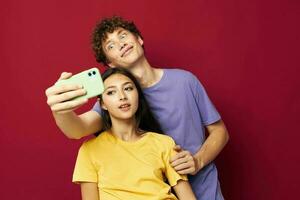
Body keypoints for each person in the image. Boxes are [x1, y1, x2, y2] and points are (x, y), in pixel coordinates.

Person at [45, 16, 229, 200]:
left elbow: (220, 132)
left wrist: (198, 161)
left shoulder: (186, 81)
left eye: (123, 35)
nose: (120, 44)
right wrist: (60, 109)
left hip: (206, 192)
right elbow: (77, 129)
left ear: (139, 39)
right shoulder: (118, 102)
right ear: (110, 63)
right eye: (110, 46)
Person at [73, 67, 196, 200]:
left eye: (128, 88)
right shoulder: (89, 150)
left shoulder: (164, 143)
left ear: (138, 95)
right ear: (102, 104)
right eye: (111, 92)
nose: (122, 96)